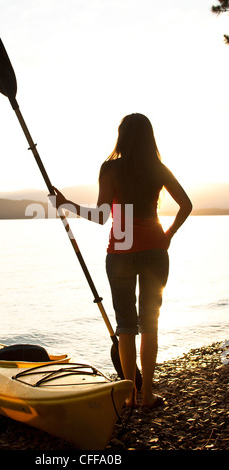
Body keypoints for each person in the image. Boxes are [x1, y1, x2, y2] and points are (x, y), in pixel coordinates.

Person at [49, 113, 192, 409]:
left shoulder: (110, 168)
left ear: (122, 135)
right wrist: (168, 234)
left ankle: (130, 394)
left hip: (121, 250)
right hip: (155, 249)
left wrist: (65, 204)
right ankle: (147, 394)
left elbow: (101, 216)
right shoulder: (158, 168)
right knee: (149, 325)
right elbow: (187, 205)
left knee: (126, 326)